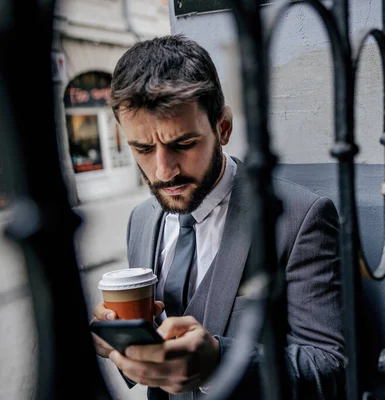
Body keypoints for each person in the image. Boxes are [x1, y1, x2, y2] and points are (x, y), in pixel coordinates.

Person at [90, 34, 345, 399]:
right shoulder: (141, 219)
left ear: (222, 128)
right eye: (143, 148)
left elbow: (329, 368)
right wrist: (123, 344)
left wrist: (221, 362)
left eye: (183, 144)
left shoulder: (300, 217)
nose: (164, 171)